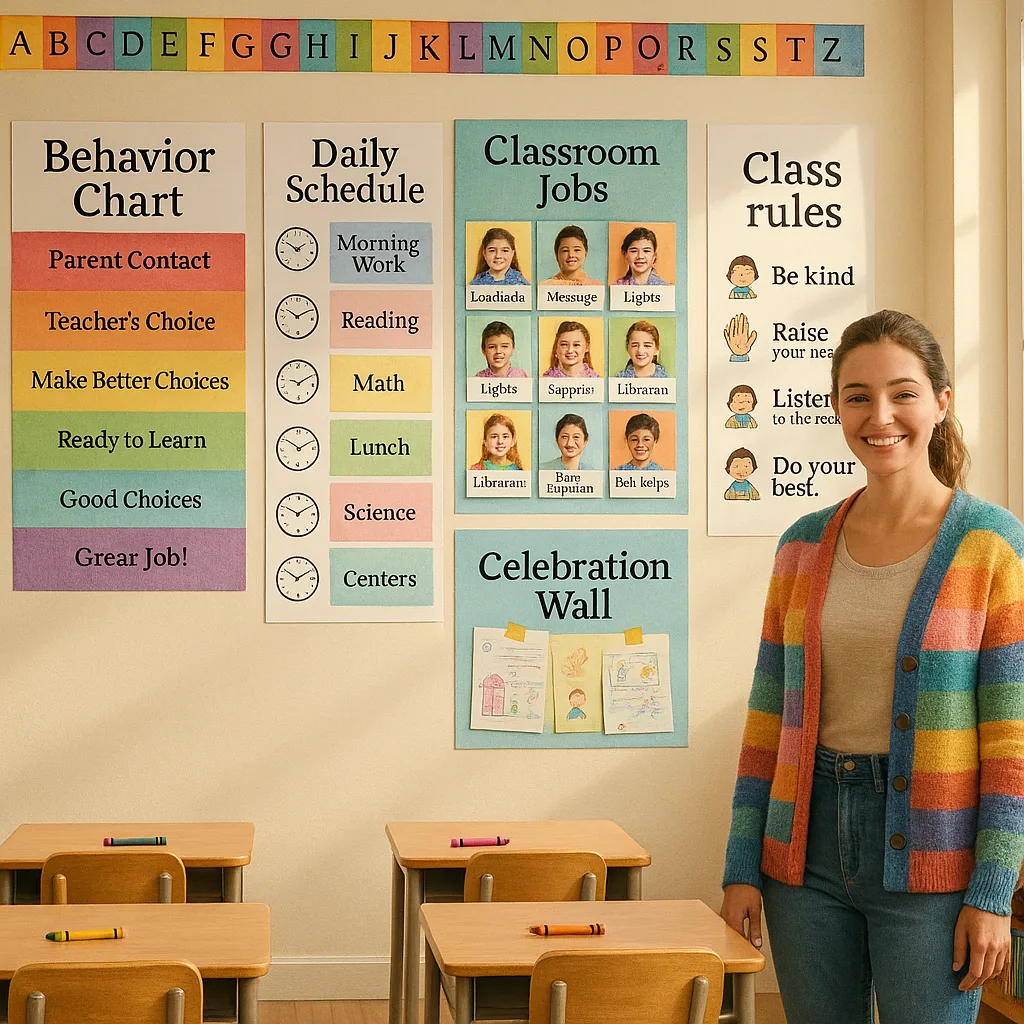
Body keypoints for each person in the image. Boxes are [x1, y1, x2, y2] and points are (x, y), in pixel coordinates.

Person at [720, 309, 1024, 1024]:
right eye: (857, 396)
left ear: (941, 402)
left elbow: (1012, 741)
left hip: (936, 863)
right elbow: (769, 717)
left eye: (903, 393)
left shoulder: (991, 544)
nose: (879, 415)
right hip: (804, 855)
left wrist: (991, 891)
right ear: (836, 407)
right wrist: (741, 865)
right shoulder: (801, 545)